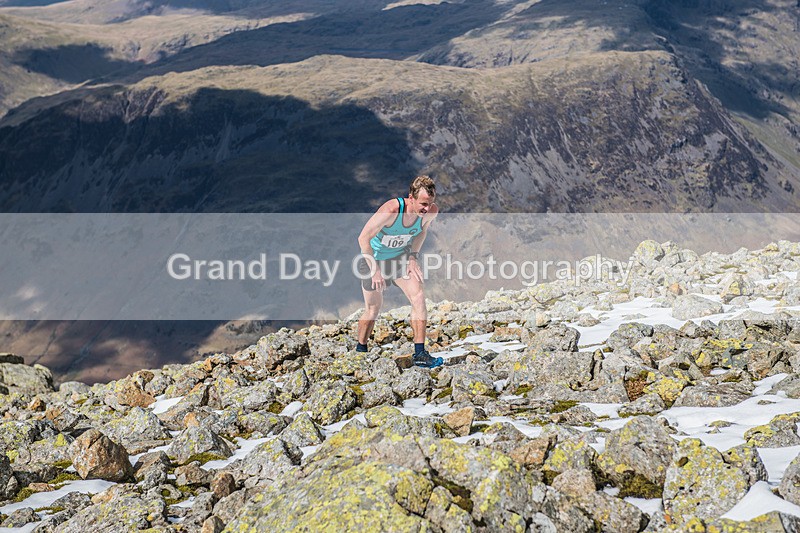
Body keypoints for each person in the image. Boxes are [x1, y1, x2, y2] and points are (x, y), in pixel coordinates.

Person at [355, 175, 444, 368]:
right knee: (373, 309)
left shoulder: (430, 212)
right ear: (410, 198)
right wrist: (375, 270)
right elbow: (363, 239)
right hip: (374, 259)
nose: (427, 209)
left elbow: (421, 231)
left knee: (418, 296)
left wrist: (412, 256)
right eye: (423, 204)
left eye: (430, 203)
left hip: (400, 260)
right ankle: (360, 350)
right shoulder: (392, 210)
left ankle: (420, 354)